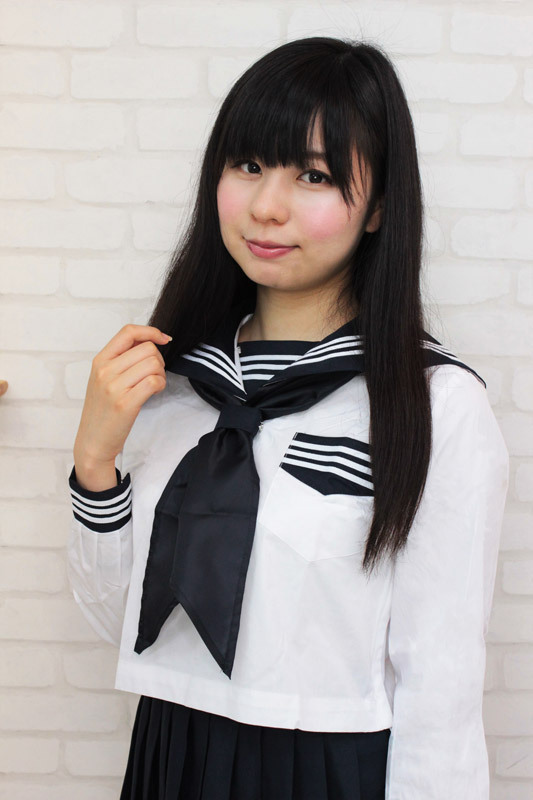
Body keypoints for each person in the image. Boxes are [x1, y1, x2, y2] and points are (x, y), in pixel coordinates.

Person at [67, 37, 510, 800]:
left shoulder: (433, 406)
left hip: (327, 769)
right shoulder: (174, 385)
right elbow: (129, 629)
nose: (266, 207)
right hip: (171, 752)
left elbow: (439, 680)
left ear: (378, 207)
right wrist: (94, 465)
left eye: (313, 175)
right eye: (247, 165)